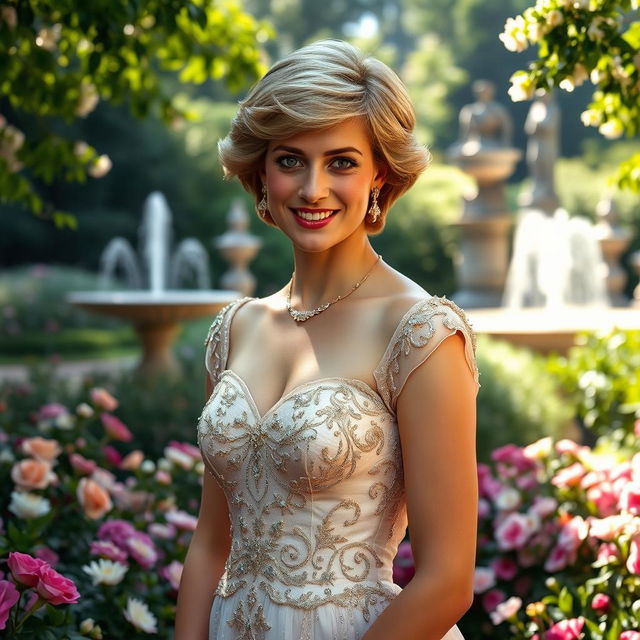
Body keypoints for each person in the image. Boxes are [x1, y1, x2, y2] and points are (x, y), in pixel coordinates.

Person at [175, 39, 479, 640]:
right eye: (290, 160)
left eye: (341, 161)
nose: (313, 188)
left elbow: (448, 579)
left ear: (379, 176)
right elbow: (210, 545)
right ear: (261, 171)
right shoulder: (235, 329)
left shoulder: (420, 331)